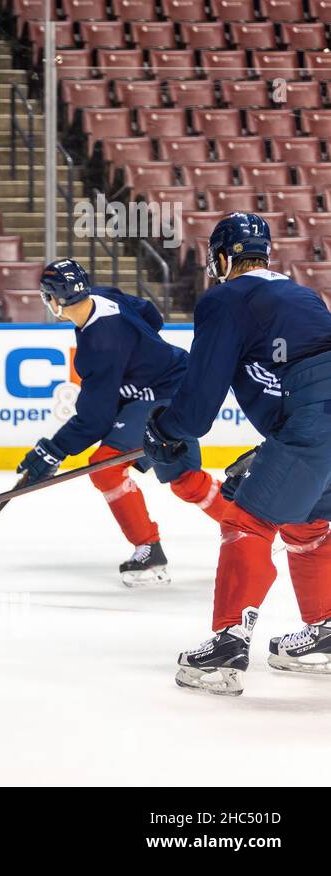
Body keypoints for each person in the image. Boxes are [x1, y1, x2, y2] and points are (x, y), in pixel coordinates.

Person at [143, 213, 331, 695]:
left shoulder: (225, 299)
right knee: (307, 518)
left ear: (223, 258)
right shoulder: (302, 294)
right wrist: (276, 447)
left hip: (312, 419)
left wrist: (165, 429)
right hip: (315, 419)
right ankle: (325, 634)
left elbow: (199, 404)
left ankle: (227, 644)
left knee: (246, 521)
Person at [18, 259, 233, 586]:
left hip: (164, 394)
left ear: (55, 300)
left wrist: (52, 451)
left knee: (104, 465)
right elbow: (151, 315)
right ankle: (249, 526)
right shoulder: (105, 297)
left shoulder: (97, 345)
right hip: (179, 381)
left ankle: (148, 549)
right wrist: (140, 364)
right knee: (187, 480)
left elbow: (95, 419)